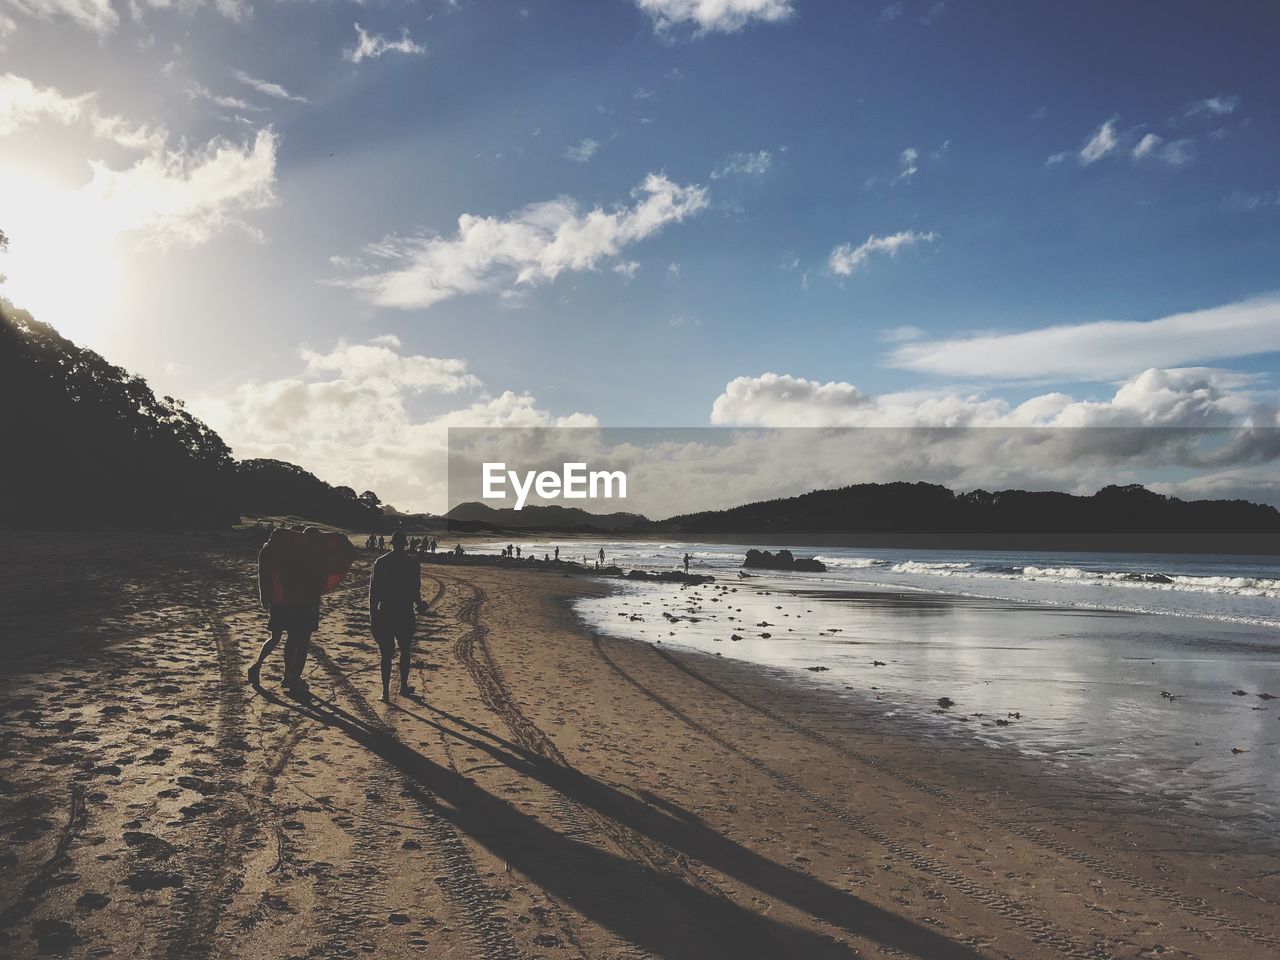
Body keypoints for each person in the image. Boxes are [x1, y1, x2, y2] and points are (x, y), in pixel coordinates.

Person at [251, 526, 356, 695]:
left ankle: (260, 665)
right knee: (301, 644)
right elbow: (348, 554)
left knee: (281, 639)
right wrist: (338, 537)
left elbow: (266, 572)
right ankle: (292, 679)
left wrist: (266, 596)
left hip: (283, 602)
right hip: (306, 604)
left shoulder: (289, 553)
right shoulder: (317, 556)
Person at [369, 530, 427, 702]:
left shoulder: (381, 562)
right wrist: (419, 604)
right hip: (405, 611)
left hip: (386, 611)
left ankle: (385, 692)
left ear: (392, 543)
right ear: (406, 543)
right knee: (405, 650)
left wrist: (372, 615)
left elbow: (374, 592)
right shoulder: (412, 563)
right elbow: (415, 589)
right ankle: (402, 687)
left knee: (386, 654)